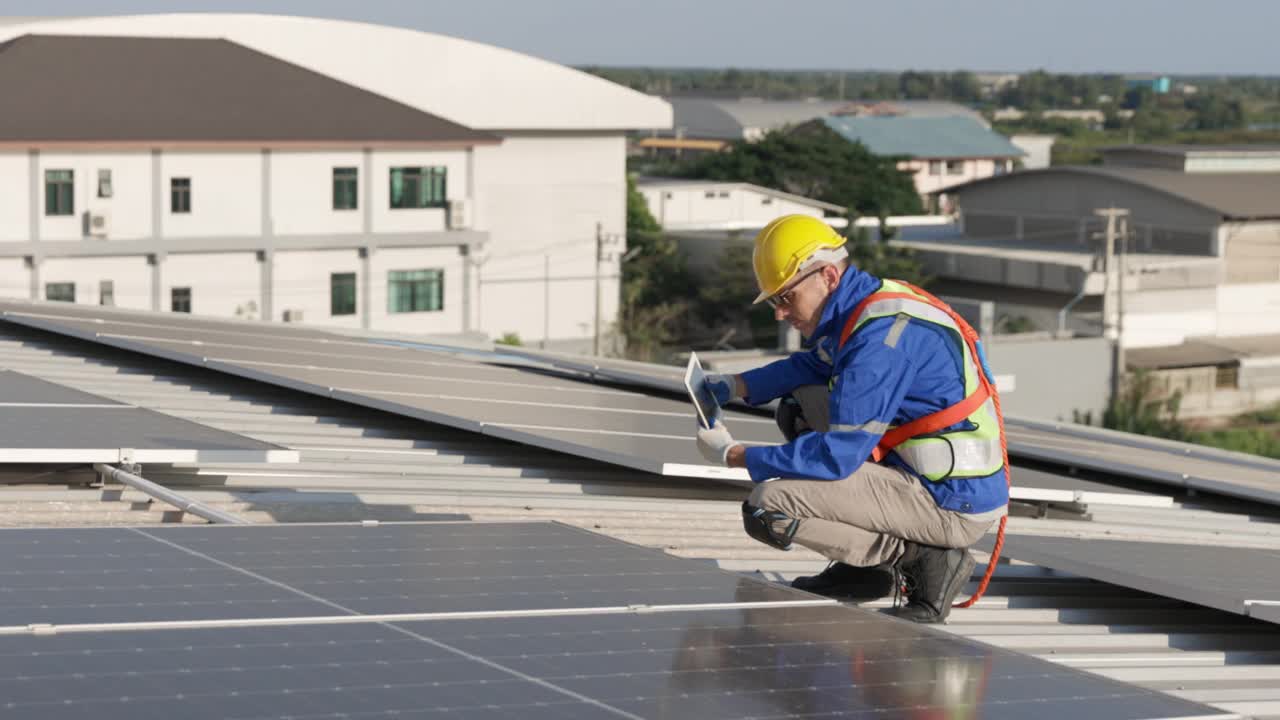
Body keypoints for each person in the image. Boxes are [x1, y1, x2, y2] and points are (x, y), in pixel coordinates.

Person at [693, 214, 1009, 623]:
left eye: (785, 298)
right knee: (801, 401)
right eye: (774, 301)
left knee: (768, 508)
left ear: (826, 276)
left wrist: (734, 456)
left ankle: (917, 557)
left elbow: (835, 458)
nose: (779, 313)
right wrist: (733, 386)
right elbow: (811, 365)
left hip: (949, 506)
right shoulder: (867, 307)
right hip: (932, 480)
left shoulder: (880, 343)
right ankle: (865, 570)